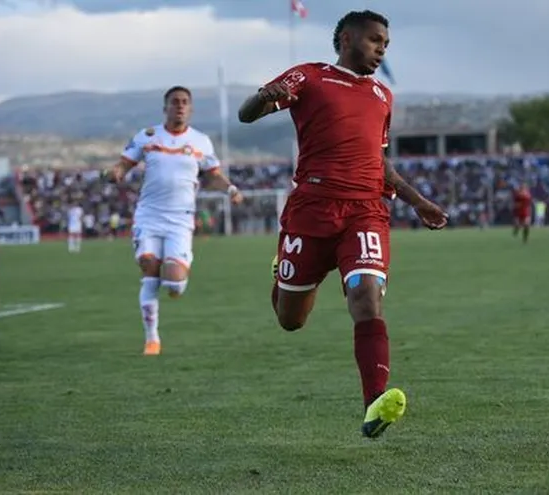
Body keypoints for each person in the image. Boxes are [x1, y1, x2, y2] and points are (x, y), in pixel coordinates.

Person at [238, 10, 448, 438]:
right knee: (290, 320)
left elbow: (378, 159)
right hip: (312, 211)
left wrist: (417, 201)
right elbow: (246, 115)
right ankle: (283, 272)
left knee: (367, 296)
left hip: (365, 211)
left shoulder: (383, 95)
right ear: (348, 39)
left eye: (385, 44)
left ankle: (375, 403)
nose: (381, 50)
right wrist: (263, 97)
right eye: (375, 41)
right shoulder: (310, 76)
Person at [109, 86, 244, 356]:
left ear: (190, 109)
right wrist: (117, 171)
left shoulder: (201, 141)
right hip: (149, 215)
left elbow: (213, 175)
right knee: (149, 267)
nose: (179, 106)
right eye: (174, 102)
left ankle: (176, 273)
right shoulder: (148, 136)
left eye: (184, 102)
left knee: (173, 285)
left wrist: (230, 189)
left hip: (180, 220)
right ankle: (152, 339)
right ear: (165, 108)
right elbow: (123, 164)